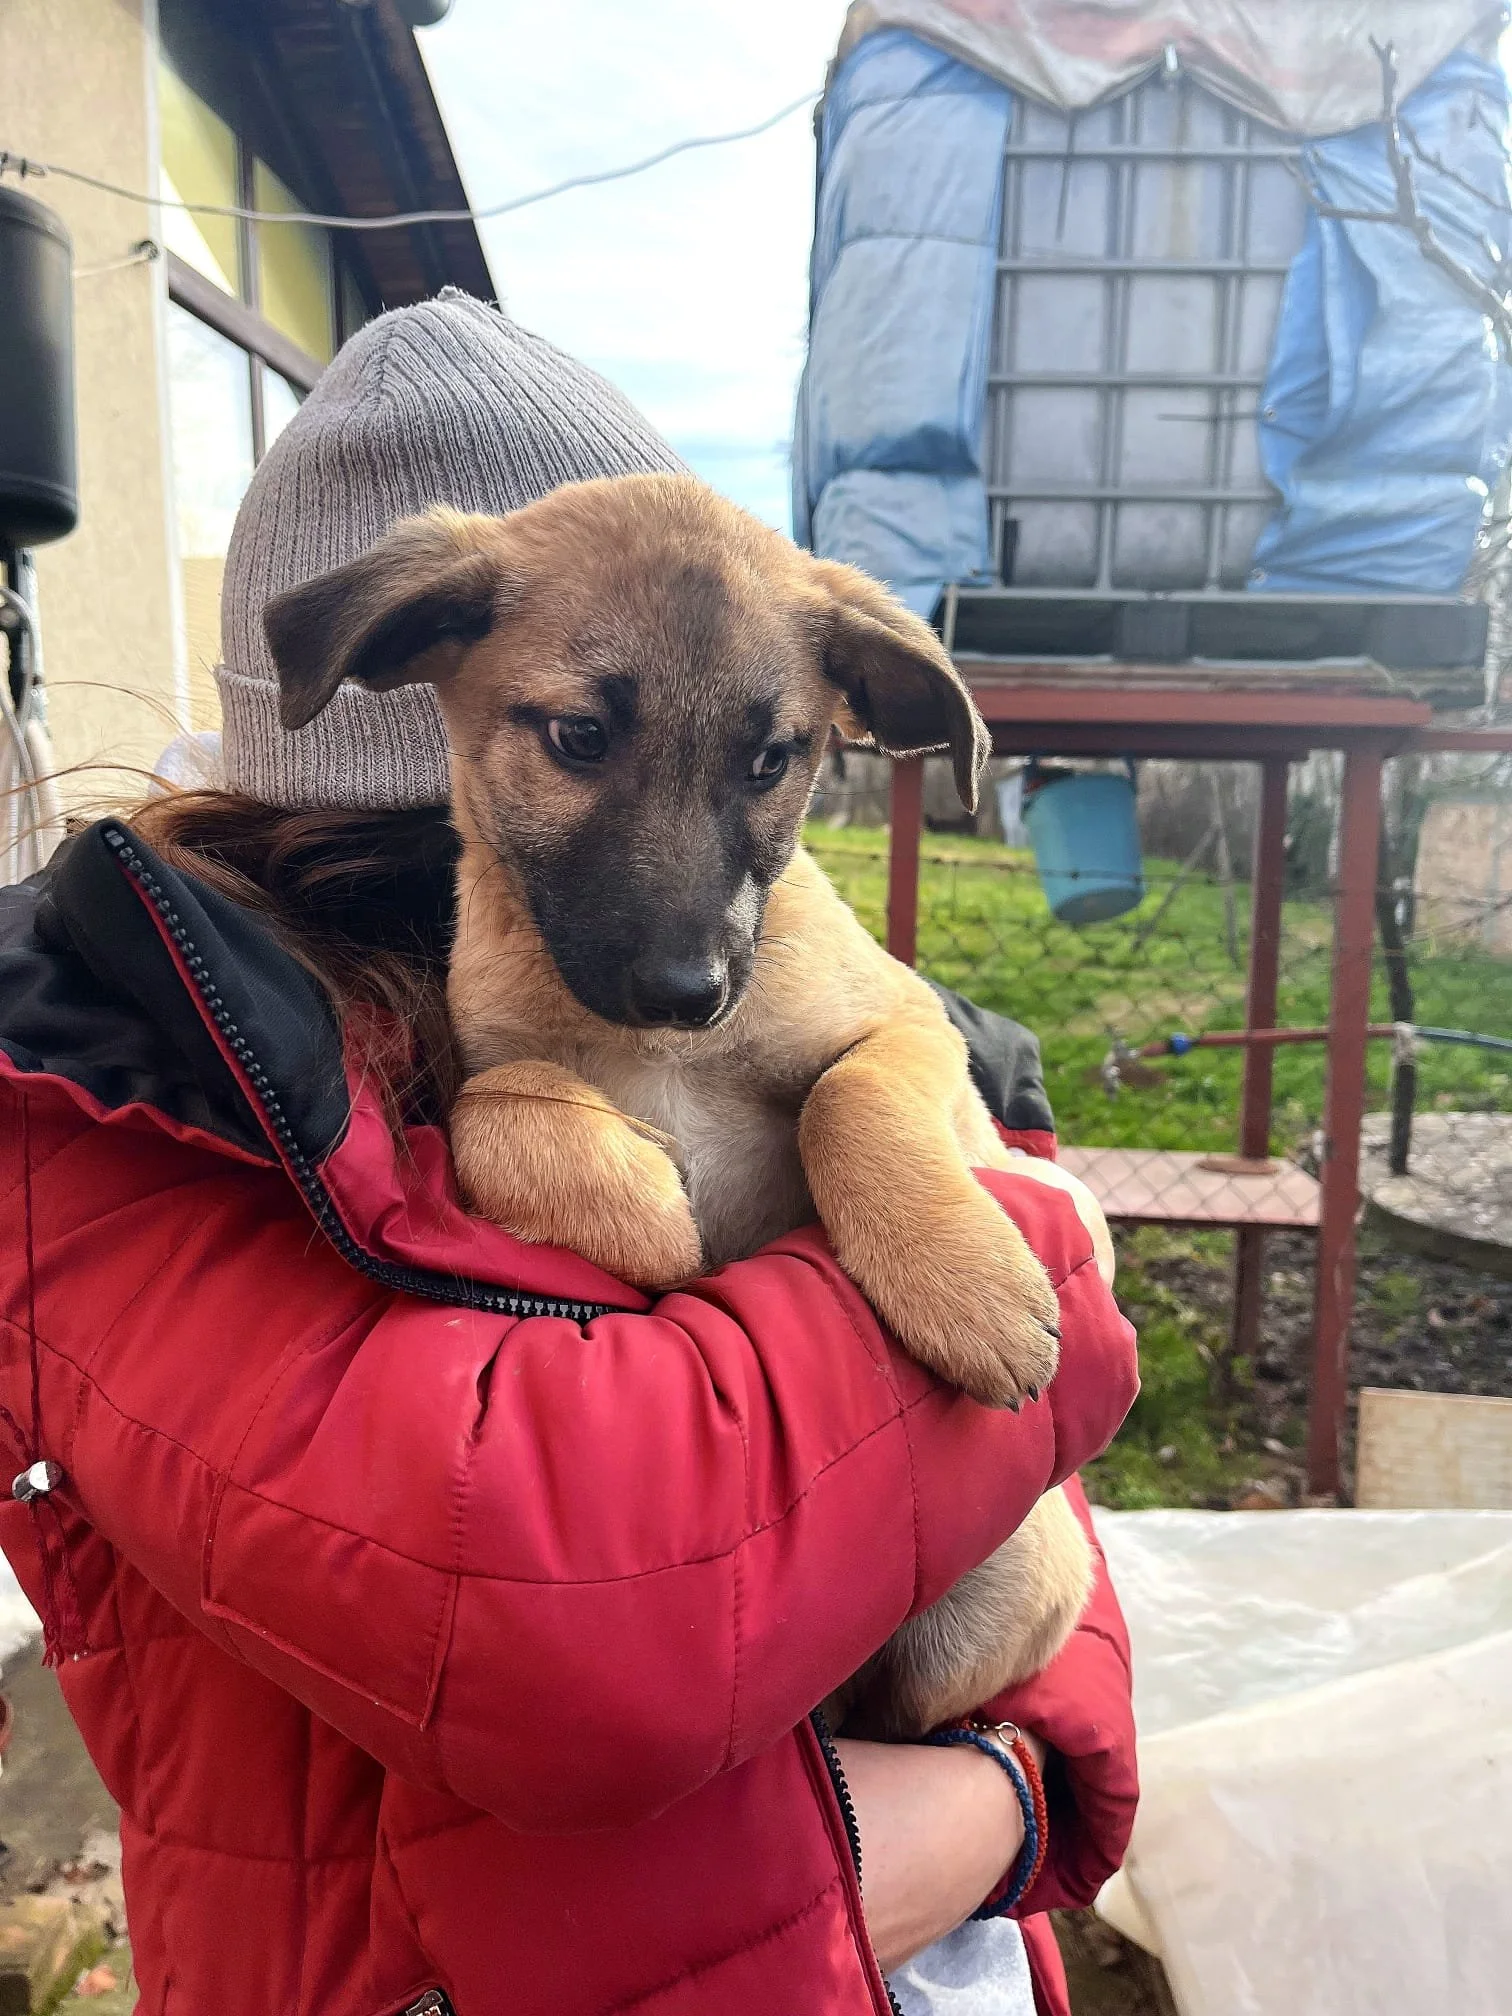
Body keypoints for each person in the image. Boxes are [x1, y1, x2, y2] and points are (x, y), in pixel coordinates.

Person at [0, 294, 1138, 2016]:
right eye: (582, 741)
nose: (688, 944)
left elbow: (1053, 1515)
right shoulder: (102, 1090)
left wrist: (1020, 1776)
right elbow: (580, 1622)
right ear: (390, 671)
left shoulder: (849, 992)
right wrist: (1040, 1247)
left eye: (758, 765)